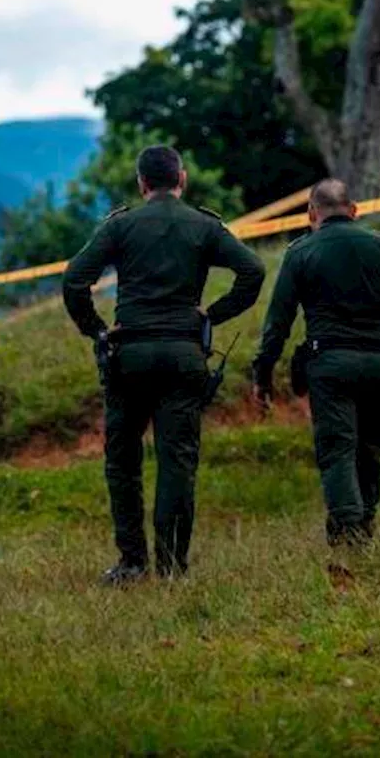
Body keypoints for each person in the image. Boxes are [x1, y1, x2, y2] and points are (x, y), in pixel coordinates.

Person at [62, 145, 265, 585]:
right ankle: (173, 567)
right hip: (183, 354)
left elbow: (74, 279)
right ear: (183, 179)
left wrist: (96, 329)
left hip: (129, 355)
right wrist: (213, 314)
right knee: (177, 461)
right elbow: (253, 271)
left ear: (141, 183)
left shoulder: (120, 226)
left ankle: (132, 562)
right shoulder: (204, 225)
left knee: (123, 460)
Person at [251, 179, 380, 547]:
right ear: (354, 210)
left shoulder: (300, 253)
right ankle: (364, 521)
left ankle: (349, 530)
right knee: (370, 447)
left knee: (337, 449)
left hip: (331, 364)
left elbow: (277, 323)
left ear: (311, 214)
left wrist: (262, 375)